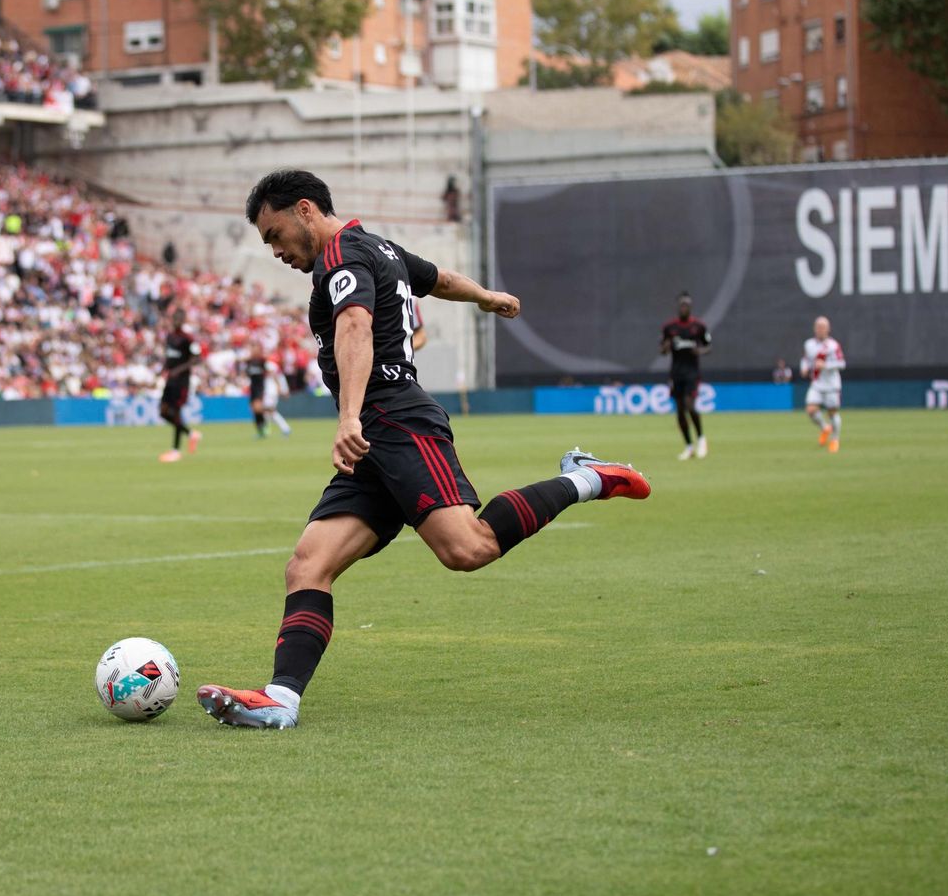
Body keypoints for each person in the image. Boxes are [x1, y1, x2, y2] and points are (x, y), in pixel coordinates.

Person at [195, 169, 650, 730]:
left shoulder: (343, 257)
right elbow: (437, 279)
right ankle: (280, 701)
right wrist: (486, 297)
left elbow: (356, 326)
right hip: (375, 431)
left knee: (468, 548)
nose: (276, 251)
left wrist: (349, 417)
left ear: (305, 210)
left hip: (394, 418)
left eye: (274, 234)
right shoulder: (377, 246)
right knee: (308, 564)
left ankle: (588, 477)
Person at [660, 292, 711, 460]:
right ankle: (689, 446)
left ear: (690, 307)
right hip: (676, 373)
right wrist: (666, 347)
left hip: (692, 373)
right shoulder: (670, 328)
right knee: (680, 411)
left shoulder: (699, 326)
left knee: (690, 405)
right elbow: (662, 350)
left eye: (687, 305)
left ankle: (701, 439)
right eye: (682, 305)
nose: (684, 308)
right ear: (678, 307)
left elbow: (708, 346)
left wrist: (700, 350)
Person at [158, 308, 202, 462]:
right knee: (163, 412)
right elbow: (169, 357)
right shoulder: (170, 337)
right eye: (174, 318)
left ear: (183, 320)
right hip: (170, 380)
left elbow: (197, 358)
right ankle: (191, 434)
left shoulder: (188, 339)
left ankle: (175, 450)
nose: (175, 321)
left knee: (175, 412)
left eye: (178, 318)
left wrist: (179, 370)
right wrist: (164, 369)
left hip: (182, 381)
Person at [800, 316, 845, 453]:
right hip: (817, 383)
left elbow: (842, 364)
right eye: (818, 327)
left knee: (832, 413)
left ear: (828, 329)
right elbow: (806, 359)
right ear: (815, 328)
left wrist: (826, 365)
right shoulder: (809, 344)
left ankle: (835, 439)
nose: (820, 330)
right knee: (811, 410)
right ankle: (825, 428)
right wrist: (804, 368)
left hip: (832, 385)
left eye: (823, 327)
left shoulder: (833, 345)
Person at [245, 342, 291, 439]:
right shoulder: (253, 362)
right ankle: (266, 430)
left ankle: (284, 428)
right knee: (263, 410)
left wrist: (281, 388)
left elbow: (276, 375)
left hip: (269, 391)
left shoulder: (266, 362)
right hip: (264, 390)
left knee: (268, 410)